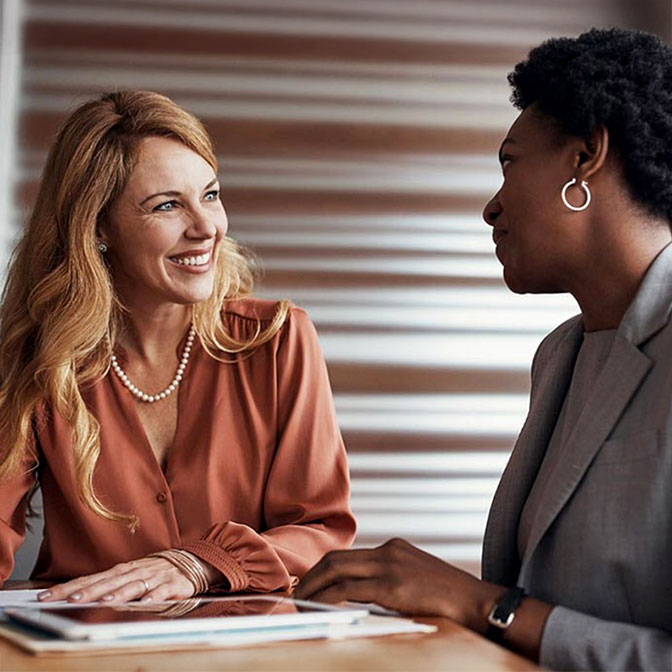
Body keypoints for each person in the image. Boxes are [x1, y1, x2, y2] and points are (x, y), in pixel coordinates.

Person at [295, 27, 672, 670]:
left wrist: (481, 605)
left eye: (509, 163)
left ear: (586, 157)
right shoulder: (561, 355)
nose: (491, 208)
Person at [0, 90, 355, 603]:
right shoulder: (41, 361)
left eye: (210, 195)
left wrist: (200, 564)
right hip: (84, 649)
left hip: (250, 651)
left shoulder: (279, 341)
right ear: (98, 227)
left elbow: (323, 531)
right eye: (167, 205)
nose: (207, 226)